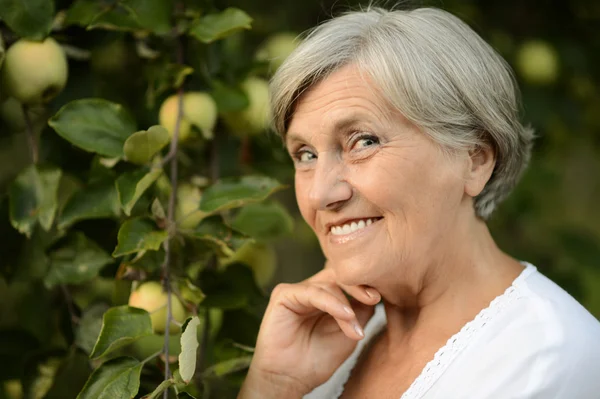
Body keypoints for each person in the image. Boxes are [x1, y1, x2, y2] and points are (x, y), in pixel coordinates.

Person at [238, 6, 600, 399]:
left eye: (363, 141)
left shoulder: (546, 361)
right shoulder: (321, 350)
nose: (319, 194)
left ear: (474, 160)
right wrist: (273, 385)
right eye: (305, 154)